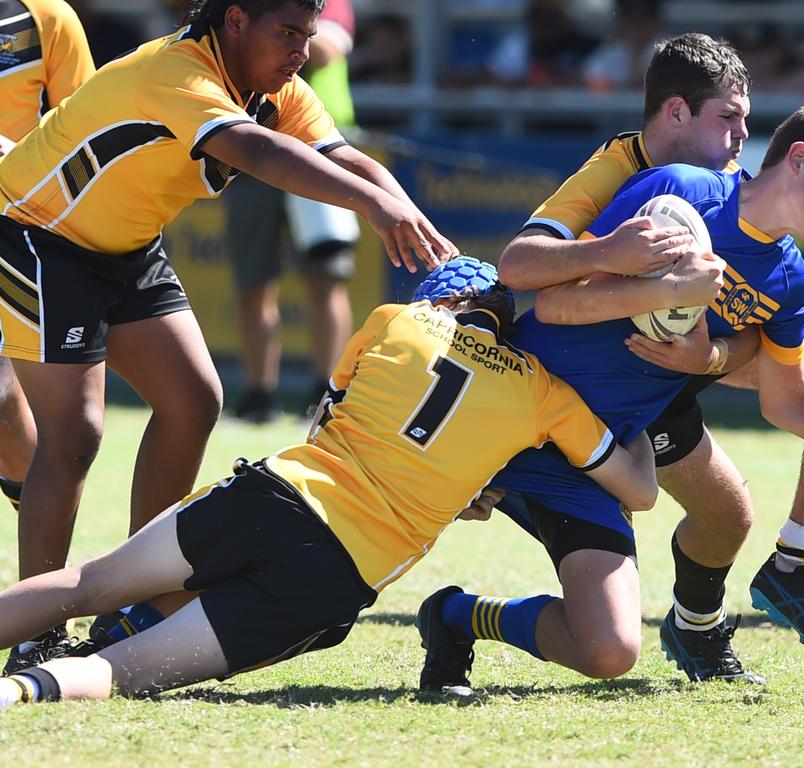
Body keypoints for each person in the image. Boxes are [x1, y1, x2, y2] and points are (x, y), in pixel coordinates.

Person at [415, 103, 804, 695]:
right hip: (508, 417)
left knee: (610, 650)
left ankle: (457, 615)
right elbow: (556, 305)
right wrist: (669, 291)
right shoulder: (681, 194)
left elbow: (787, 402)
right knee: (371, 534)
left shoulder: (789, 281)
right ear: (796, 158)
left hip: (593, 459)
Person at [0, 0, 455, 674]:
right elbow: (255, 150)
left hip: (125, 249)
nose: (304, 48)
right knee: (76, 432)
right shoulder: (177, 69)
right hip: (38, 236)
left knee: (193, 400)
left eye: (308, 32)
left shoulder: (277, 89)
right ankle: (34, 633)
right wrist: (374, 206)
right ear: (235, 20)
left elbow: (344, 158)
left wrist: (410, 215)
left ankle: (132, 602)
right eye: (289, 33)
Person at [0, 256, 659, 708]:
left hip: (282, 492)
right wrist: (649, 427)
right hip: (340, 571)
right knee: (117, 675)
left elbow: (327, 420)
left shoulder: (396, 319)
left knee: (88, 584)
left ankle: (125, 619)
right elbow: (638, 492)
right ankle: (17, 694)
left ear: (446, 299)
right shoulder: (541, 391)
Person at [495, 33, 804, 675]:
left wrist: (711, 356)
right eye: (729, 118)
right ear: (677, 114)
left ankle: (796, 565)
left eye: (747, 119)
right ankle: (693, 625)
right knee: (716, 514)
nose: (744, 135)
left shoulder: (759, 224)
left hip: (679, 351)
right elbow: (525, 272)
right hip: (601, 363)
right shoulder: (630, 174)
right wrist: (613, 257)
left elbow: (775, 370)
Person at [225, 0, 362, 422]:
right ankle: (258, 395)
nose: (298, 48)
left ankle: (328, 393)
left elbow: (327, 50)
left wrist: (285, 27)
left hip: (320, 155)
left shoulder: (329, 4)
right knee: (254, 280)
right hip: (251, 151)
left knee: (326, 278)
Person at [0, 0, 95, 514]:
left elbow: (85, 128)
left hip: (11, 232)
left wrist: (16, 159)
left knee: (2, 403)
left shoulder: (47, 16)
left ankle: (39, 561)